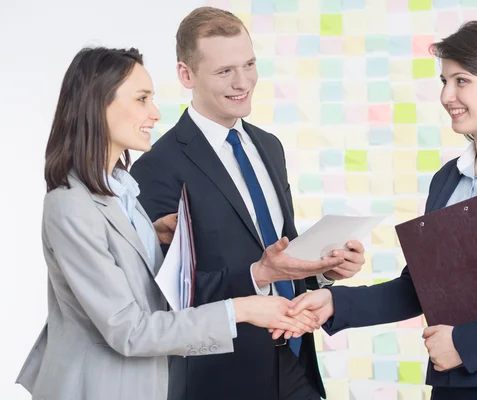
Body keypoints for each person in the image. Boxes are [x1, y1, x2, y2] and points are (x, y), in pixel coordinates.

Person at [286, 21, 477, 400]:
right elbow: (422, 288)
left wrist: (464, 342)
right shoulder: (447, 180)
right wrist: (335, 303)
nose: (448, 95)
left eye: (461, 80)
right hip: (455, 384)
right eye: (444, 81)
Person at [15, 46, 331, 400]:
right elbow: (129, 330)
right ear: (99, 104)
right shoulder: (69, 205)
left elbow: (143, 284)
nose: (155, 113)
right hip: (103, 387)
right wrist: (243, 309)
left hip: (153, 381)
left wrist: (148, 235)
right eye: (142, 99)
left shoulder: (121, 191)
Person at [129, 6, 367, 400]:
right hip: (220, 377)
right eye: (225, 71)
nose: (243, 82)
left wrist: (325, 269)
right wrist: (258, 276)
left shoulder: (269, 147)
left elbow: (282, 250)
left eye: (249, 64)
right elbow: (165, 297)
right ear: (186, 75)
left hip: (295, 363)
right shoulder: (158, 166)